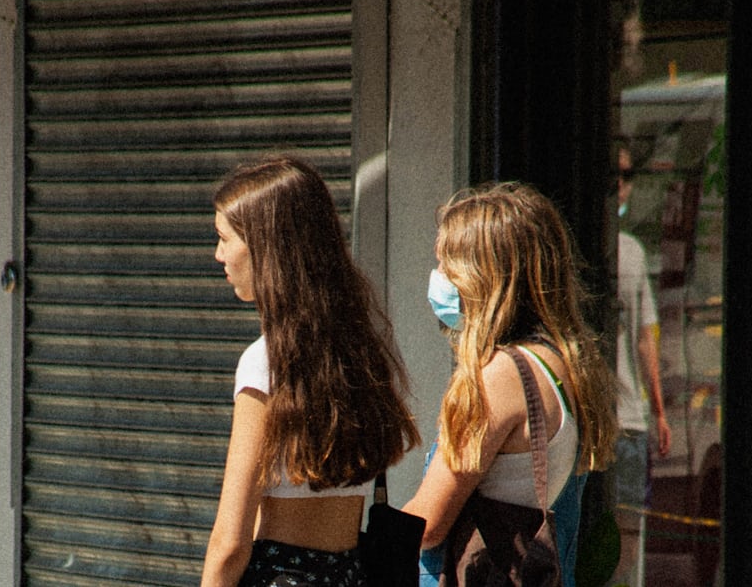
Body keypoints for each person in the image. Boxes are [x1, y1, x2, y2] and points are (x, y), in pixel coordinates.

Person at [201, 155, 422, 587]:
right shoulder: (365, 352)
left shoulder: (264, 363)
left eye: (225, 239)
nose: (218, 255)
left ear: (266, 248)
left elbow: (230, 542)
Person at [403, 181, 620, 586]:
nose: (439, 279)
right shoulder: (559, 364)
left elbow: (428, 523)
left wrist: (351, 538)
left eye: (447, 266)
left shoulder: (502, 376)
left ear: (483, 277)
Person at [607, 149, 671, 587]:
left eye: (627, 175)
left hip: (628, 419)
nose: (622, 185)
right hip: (589, 422)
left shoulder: (632, 252)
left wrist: (659, 411)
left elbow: (647, 337)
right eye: (616, 175)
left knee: (628, 539)